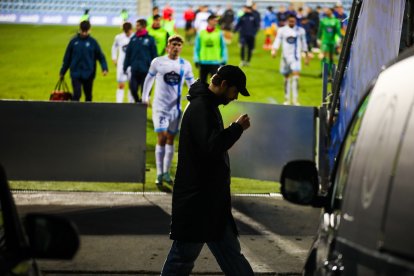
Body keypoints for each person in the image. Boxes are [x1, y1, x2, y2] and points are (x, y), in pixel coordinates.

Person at [161, 65, 253, 275]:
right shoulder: (202, 108)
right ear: (223, 84)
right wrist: (237, 128)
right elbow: (212, 147)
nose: (235, 96)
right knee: (182, 260)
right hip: (199, 202)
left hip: (207, 202)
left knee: (227, 257)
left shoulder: (204, 105)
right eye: (235, 91)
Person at [142, 35, 194, 188]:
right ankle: (159, 173)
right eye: (173, 44)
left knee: (171, 140)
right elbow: (148, 79)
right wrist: (145, 96)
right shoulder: (158, 62)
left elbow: (191, 84)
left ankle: (166, 172)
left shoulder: (185, 65)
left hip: (175, 109)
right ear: (167, 47)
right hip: (160, 108)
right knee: (162, 137)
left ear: (181, 47)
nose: (176, 47)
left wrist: (196, 98)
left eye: (179, 44)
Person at [60, 20, 108, 102]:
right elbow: (67, 58)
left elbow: (101, 56)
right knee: (77, 94)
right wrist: (62, 72)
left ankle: (87, 113)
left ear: (89, 30)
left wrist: (104, 68)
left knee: (88, 96)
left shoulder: (93, 42)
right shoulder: (73, 42)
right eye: (83, 31)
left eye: (86, 31)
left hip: (89, 73)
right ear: (80, 29)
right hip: (75, 73)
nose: (84, 33)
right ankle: (75, 113)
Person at [271, 14, 309, 105]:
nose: (292, 22)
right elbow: (277, 40)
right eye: (290, 21)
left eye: (294, 21)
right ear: (288, 21)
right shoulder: (282, 30)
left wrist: (306, 56)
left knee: (296, 78)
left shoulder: (300, 31)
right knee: (287, 78)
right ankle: (287, 99)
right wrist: (274, 50)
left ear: (296, 21)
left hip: (296, 57)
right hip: (285, 58)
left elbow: (304, 43)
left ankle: (295, 100)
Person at [123, 19, 157, 103]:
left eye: (138, 25)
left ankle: (142, 110)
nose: (136, 27)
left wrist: (154, 68)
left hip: (146, 70)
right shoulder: (133, 39)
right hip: (134, 69)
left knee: (144, 92)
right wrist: (125, 66)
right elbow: (128, 54)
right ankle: (138, 101)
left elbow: (154, 55)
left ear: (143, 26)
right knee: (133, 89)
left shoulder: (150, 39)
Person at [194, 14, 227, 84]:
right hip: (203, 61)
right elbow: (197, 47)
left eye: (217, 21)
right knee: (202, 84)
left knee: (215, 84)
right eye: (215, 20)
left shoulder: (219, 33)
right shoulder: (201, 33)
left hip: (215, 62)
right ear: (209, 21)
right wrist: (196, 59)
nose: (216, 22)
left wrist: (224, 59)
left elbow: (223, 47)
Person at [111, 22, 134, 103]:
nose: (128, 33)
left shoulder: (135, 37)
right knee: (121, 85)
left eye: (129, 31)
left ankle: (130, 103)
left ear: (131, 29)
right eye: (126, 32)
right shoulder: (119, 37)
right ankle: (119, 104)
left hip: (132, 64)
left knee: (132, 86)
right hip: (121, 64)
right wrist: (114, 58)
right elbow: (114, 47)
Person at [317, 7, 341, 75]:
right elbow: (320, 30)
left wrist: (338, 39)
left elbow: (338, 31)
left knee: (331, 57)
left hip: (332, 41)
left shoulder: (336, 21)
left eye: (328, 10)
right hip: (325, 41)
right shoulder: (323, 20)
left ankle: (330, 71)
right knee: (323, 56)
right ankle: (324, 71)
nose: (326, 11)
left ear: (331, 11)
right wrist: (318, 39)